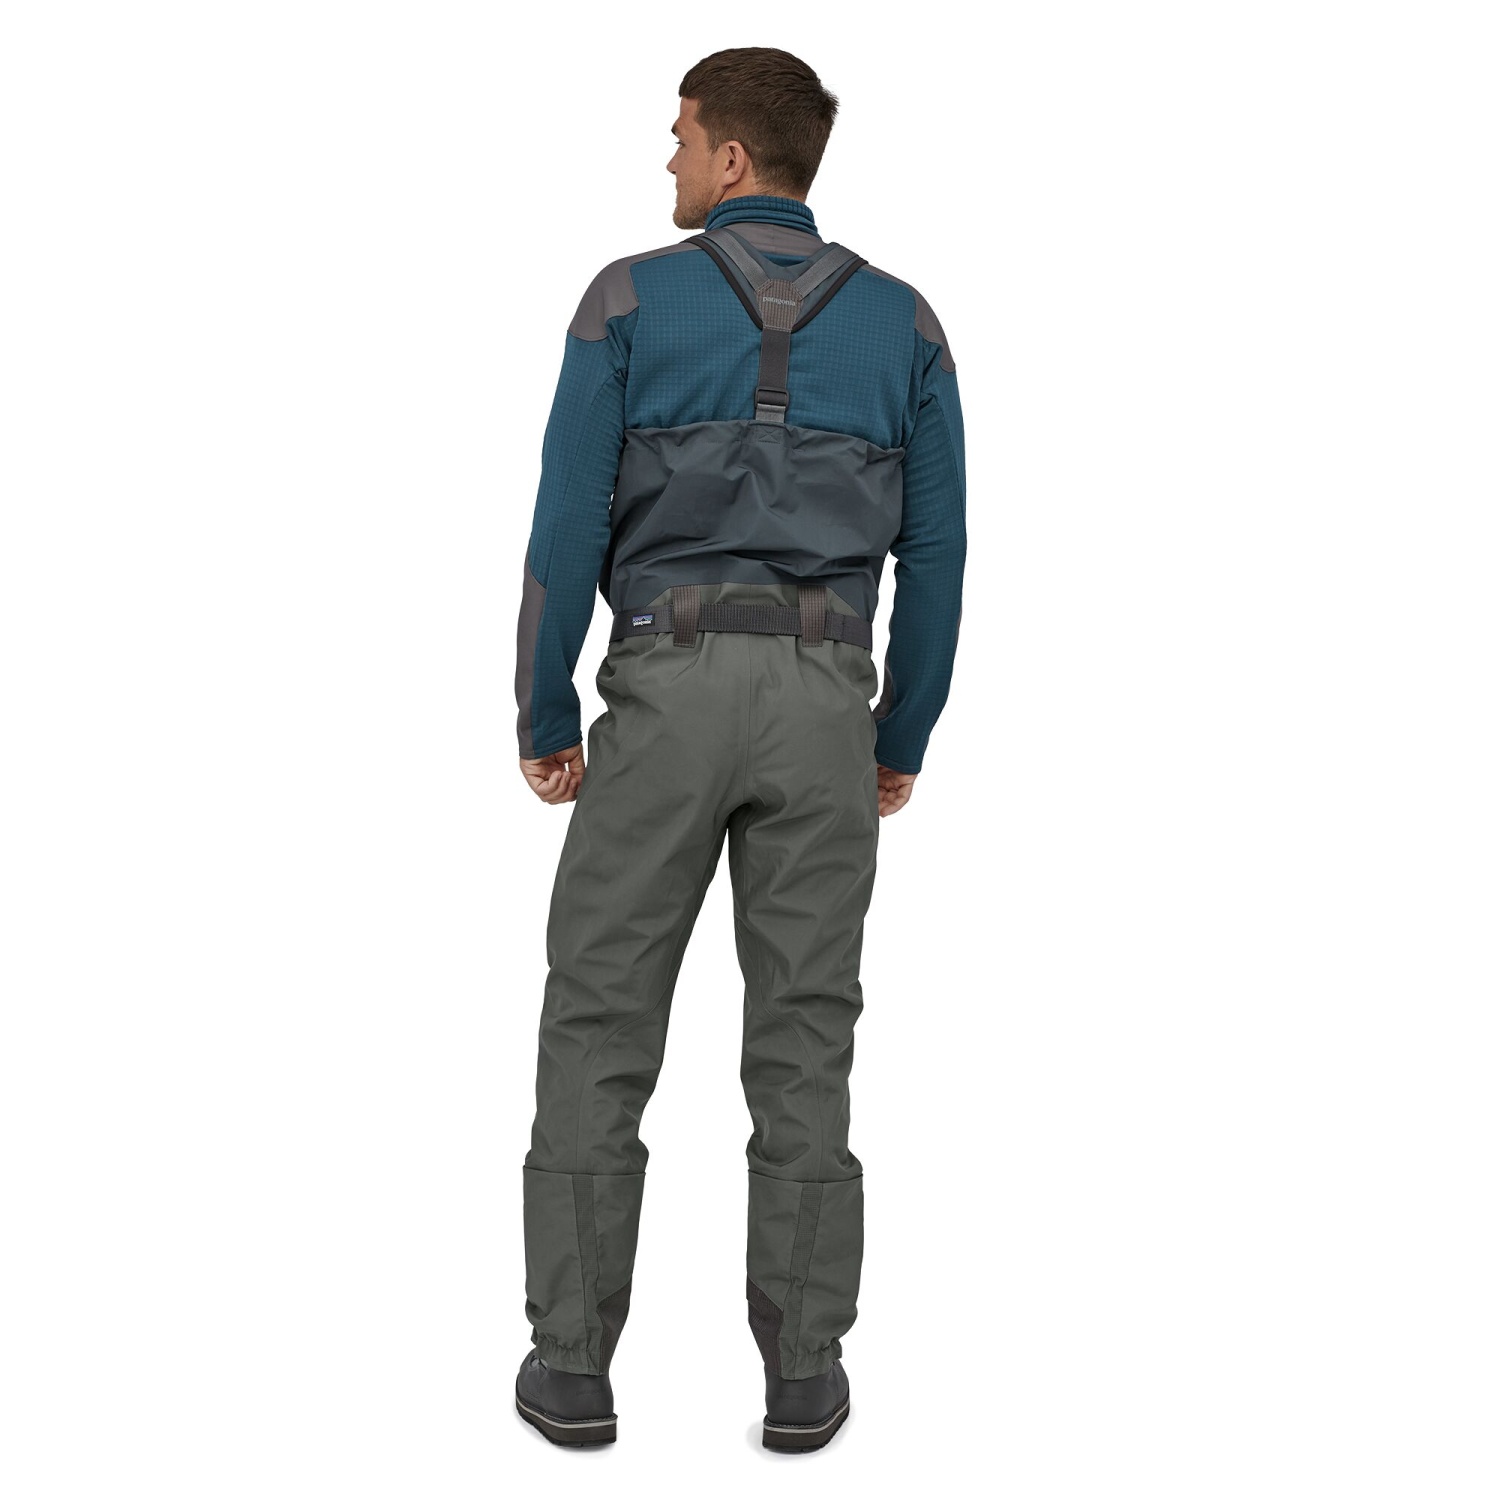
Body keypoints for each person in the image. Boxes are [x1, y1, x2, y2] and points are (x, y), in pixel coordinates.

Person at [511, 46, 966, 1452]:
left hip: (665, 691)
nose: (667, 160)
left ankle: (572, 1370)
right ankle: (805, 1376)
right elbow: (939, 555)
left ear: (729, 157)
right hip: (828, 702)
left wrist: (543, 713)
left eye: (679, 135)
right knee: (806, 1037)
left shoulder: (628, 300)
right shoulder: (906, 326)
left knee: (601, 1023)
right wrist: (900, 733)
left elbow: (566, 523)